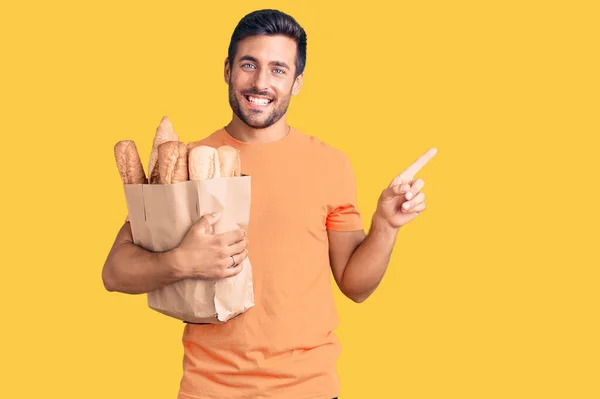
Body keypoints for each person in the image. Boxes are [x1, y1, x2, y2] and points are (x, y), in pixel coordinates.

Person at [102, 9, 436, 399]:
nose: (261, 82)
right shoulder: (187, 163)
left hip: (308, 388)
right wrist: (182, 261)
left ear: (297, 82)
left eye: (278, 69)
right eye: (249, 64)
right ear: (227, 69)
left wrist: (385, 225)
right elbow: (115, 273)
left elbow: (355, 286)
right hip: (209, 389)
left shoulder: (330, 164)